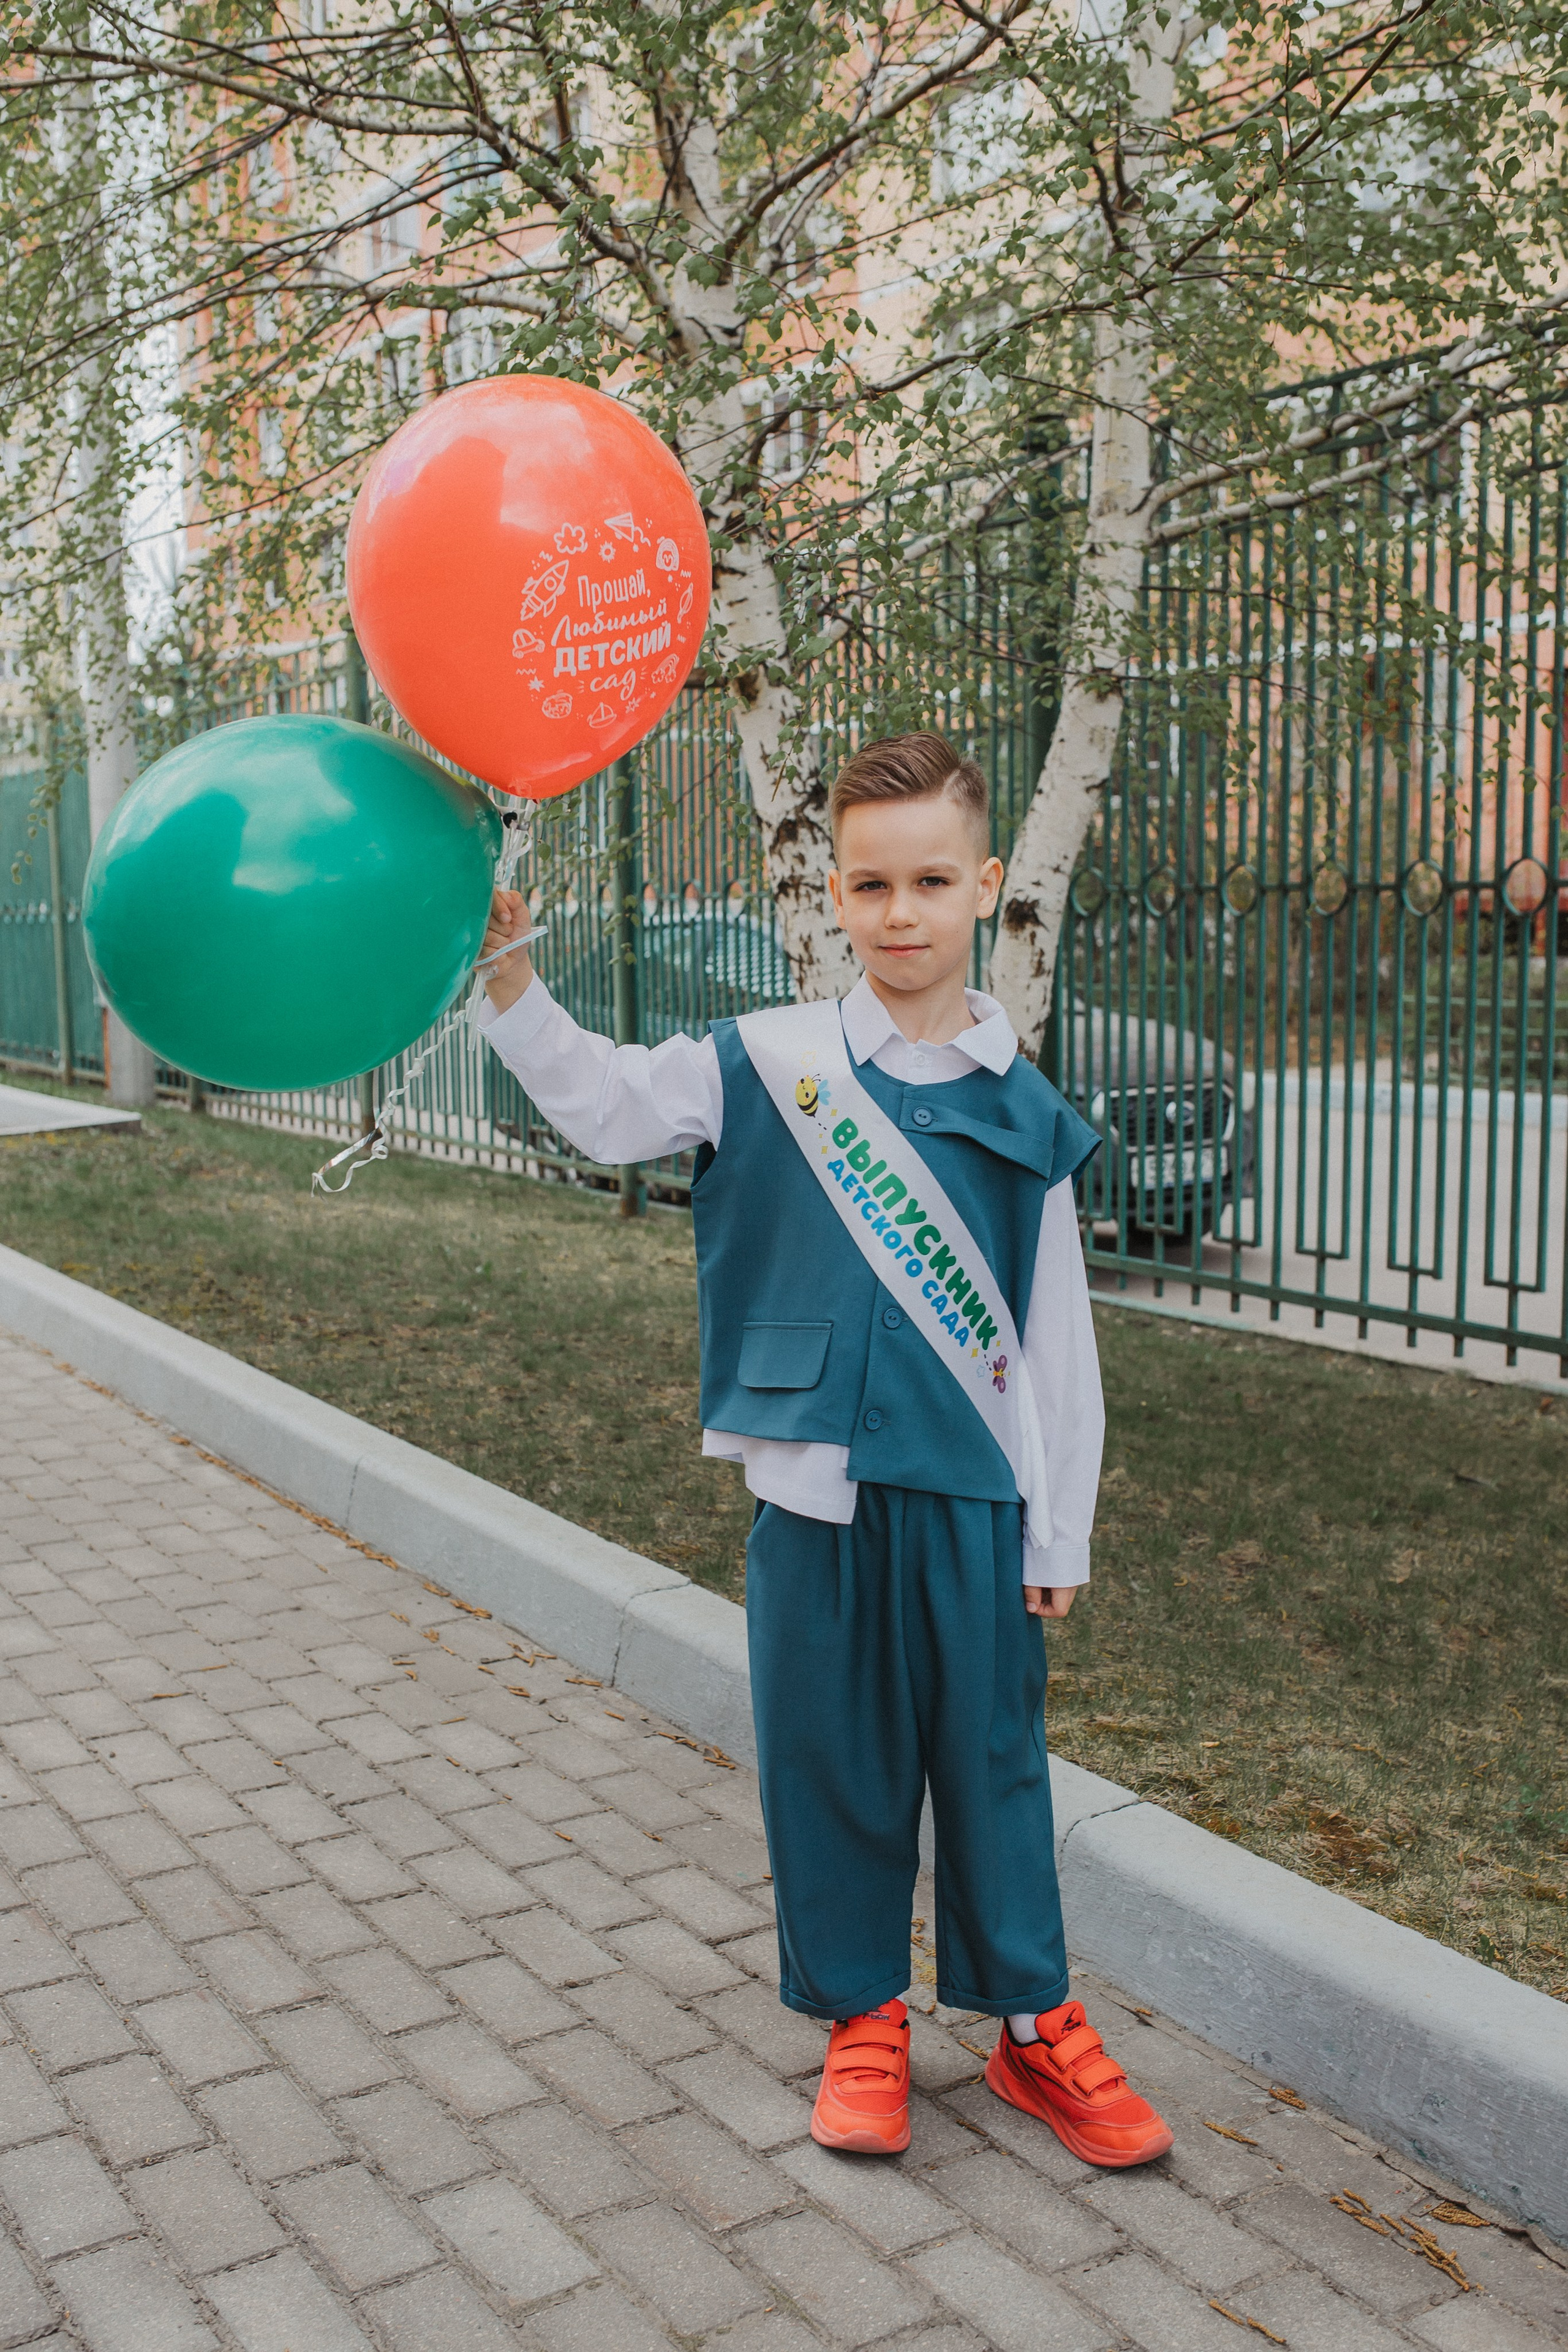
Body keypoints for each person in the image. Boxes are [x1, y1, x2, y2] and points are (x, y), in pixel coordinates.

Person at [478, 731, 1172, 2168]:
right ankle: (862, 2015)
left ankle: (1031, 2026)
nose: (899, 912)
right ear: (832, 899)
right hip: (811, 1499)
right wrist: (509, 981)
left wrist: (1060, 1531)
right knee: (828, 1758)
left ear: (983, 884)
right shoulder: (765, 1063)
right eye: (870, 884)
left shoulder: (1023, 1112)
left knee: (989, 1763)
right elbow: (604, 1104)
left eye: (929, 880)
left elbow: (1056, 1348)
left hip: (974, 1498)